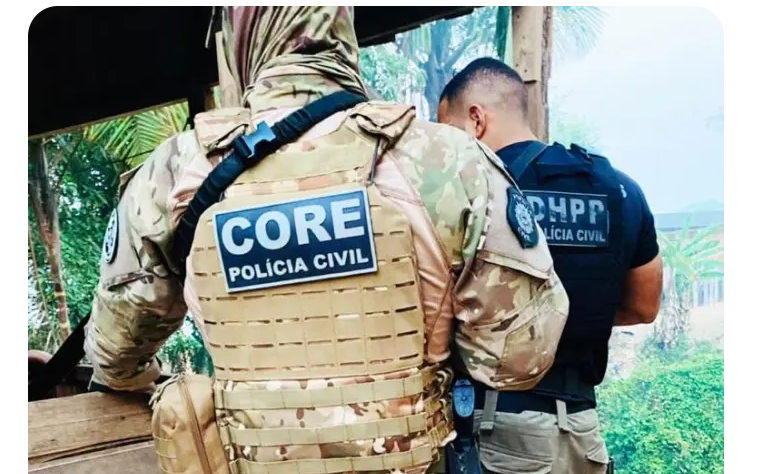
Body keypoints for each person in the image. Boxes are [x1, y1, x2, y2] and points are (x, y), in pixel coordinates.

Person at [83, 9, 570, 474]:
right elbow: (518, 358)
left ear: (237, 34)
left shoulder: (177, 171)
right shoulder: (444, 158)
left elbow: (116, 357)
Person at [437, 57, 663, 474]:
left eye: (445, 130)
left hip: (498, 434)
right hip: (583, 436)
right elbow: (643, 306)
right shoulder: (619, 189)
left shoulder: (468, 192)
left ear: (476, 120)